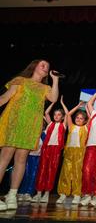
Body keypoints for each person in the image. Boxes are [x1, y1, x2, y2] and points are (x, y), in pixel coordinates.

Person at [0, 59, 59, 210]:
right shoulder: (21, 81)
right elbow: (4, 98)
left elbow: (53, 98)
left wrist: (55, 80)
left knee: (21, 159)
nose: (46, 67)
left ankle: (12, 195)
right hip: (14, 123)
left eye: (48, 66)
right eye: (43, 64)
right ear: (34, 67)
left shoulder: (45, 87)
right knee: (5, 157)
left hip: (31, 126)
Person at [32, 99, 67, 203]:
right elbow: (46, 112)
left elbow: (68, 114)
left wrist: (62, 103)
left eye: (59, 115)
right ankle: (38, 193)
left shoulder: (63, 125)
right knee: (42, 170)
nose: (56, 116)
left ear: (62, 117)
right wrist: (53, 102)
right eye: (55, 114)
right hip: (46, 149)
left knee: (51, 171)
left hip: (55, 151)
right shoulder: (50, 123)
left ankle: (46, 193)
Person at [56, 98, 88, 204]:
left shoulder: (85, 128)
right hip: (69, 153)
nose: (79, 119)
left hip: (79, 154)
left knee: (77, 174)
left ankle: (77, 194)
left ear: (84, 121)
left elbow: (91, 117)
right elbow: (68, 115)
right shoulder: (71, 127)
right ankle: (63, 194)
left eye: (81, 118)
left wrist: (87, 108)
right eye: (77, 118)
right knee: (65, 173)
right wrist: (78, 106)